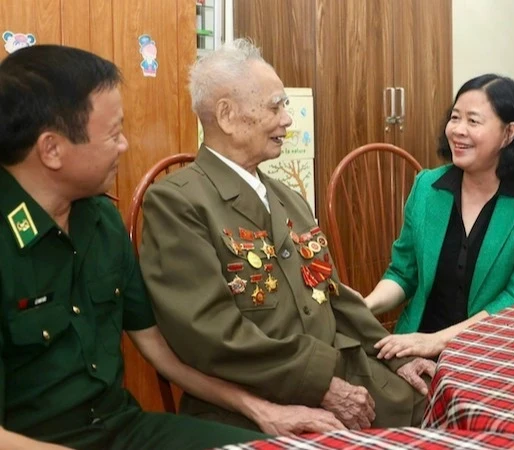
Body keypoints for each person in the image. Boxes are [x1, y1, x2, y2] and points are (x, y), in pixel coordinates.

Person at [0, 45, 294, 450]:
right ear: (51, 150)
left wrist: (259, 408)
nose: (124, 146)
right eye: (113, 134)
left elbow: (159, 351)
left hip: (123, 431)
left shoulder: (101, 221)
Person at [138, 39, 434, 432]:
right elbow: (209, 333)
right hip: (257, 398)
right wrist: (321, 383)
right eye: (275, 106)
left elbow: (332, 294)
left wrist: (393, 354)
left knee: (442, 402)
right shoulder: (178, 203)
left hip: (343, 375)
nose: (288, 120)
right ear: (226, 115)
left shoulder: (287, 197)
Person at [362, 74, 514, 360]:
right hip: (414, 345)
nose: (458, 130)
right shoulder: (427, 187)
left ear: (508, 133)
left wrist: (437, 342)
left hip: (492, 351)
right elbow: (402, 272)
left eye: (473, 121)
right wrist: (366, 304)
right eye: (455, 118)